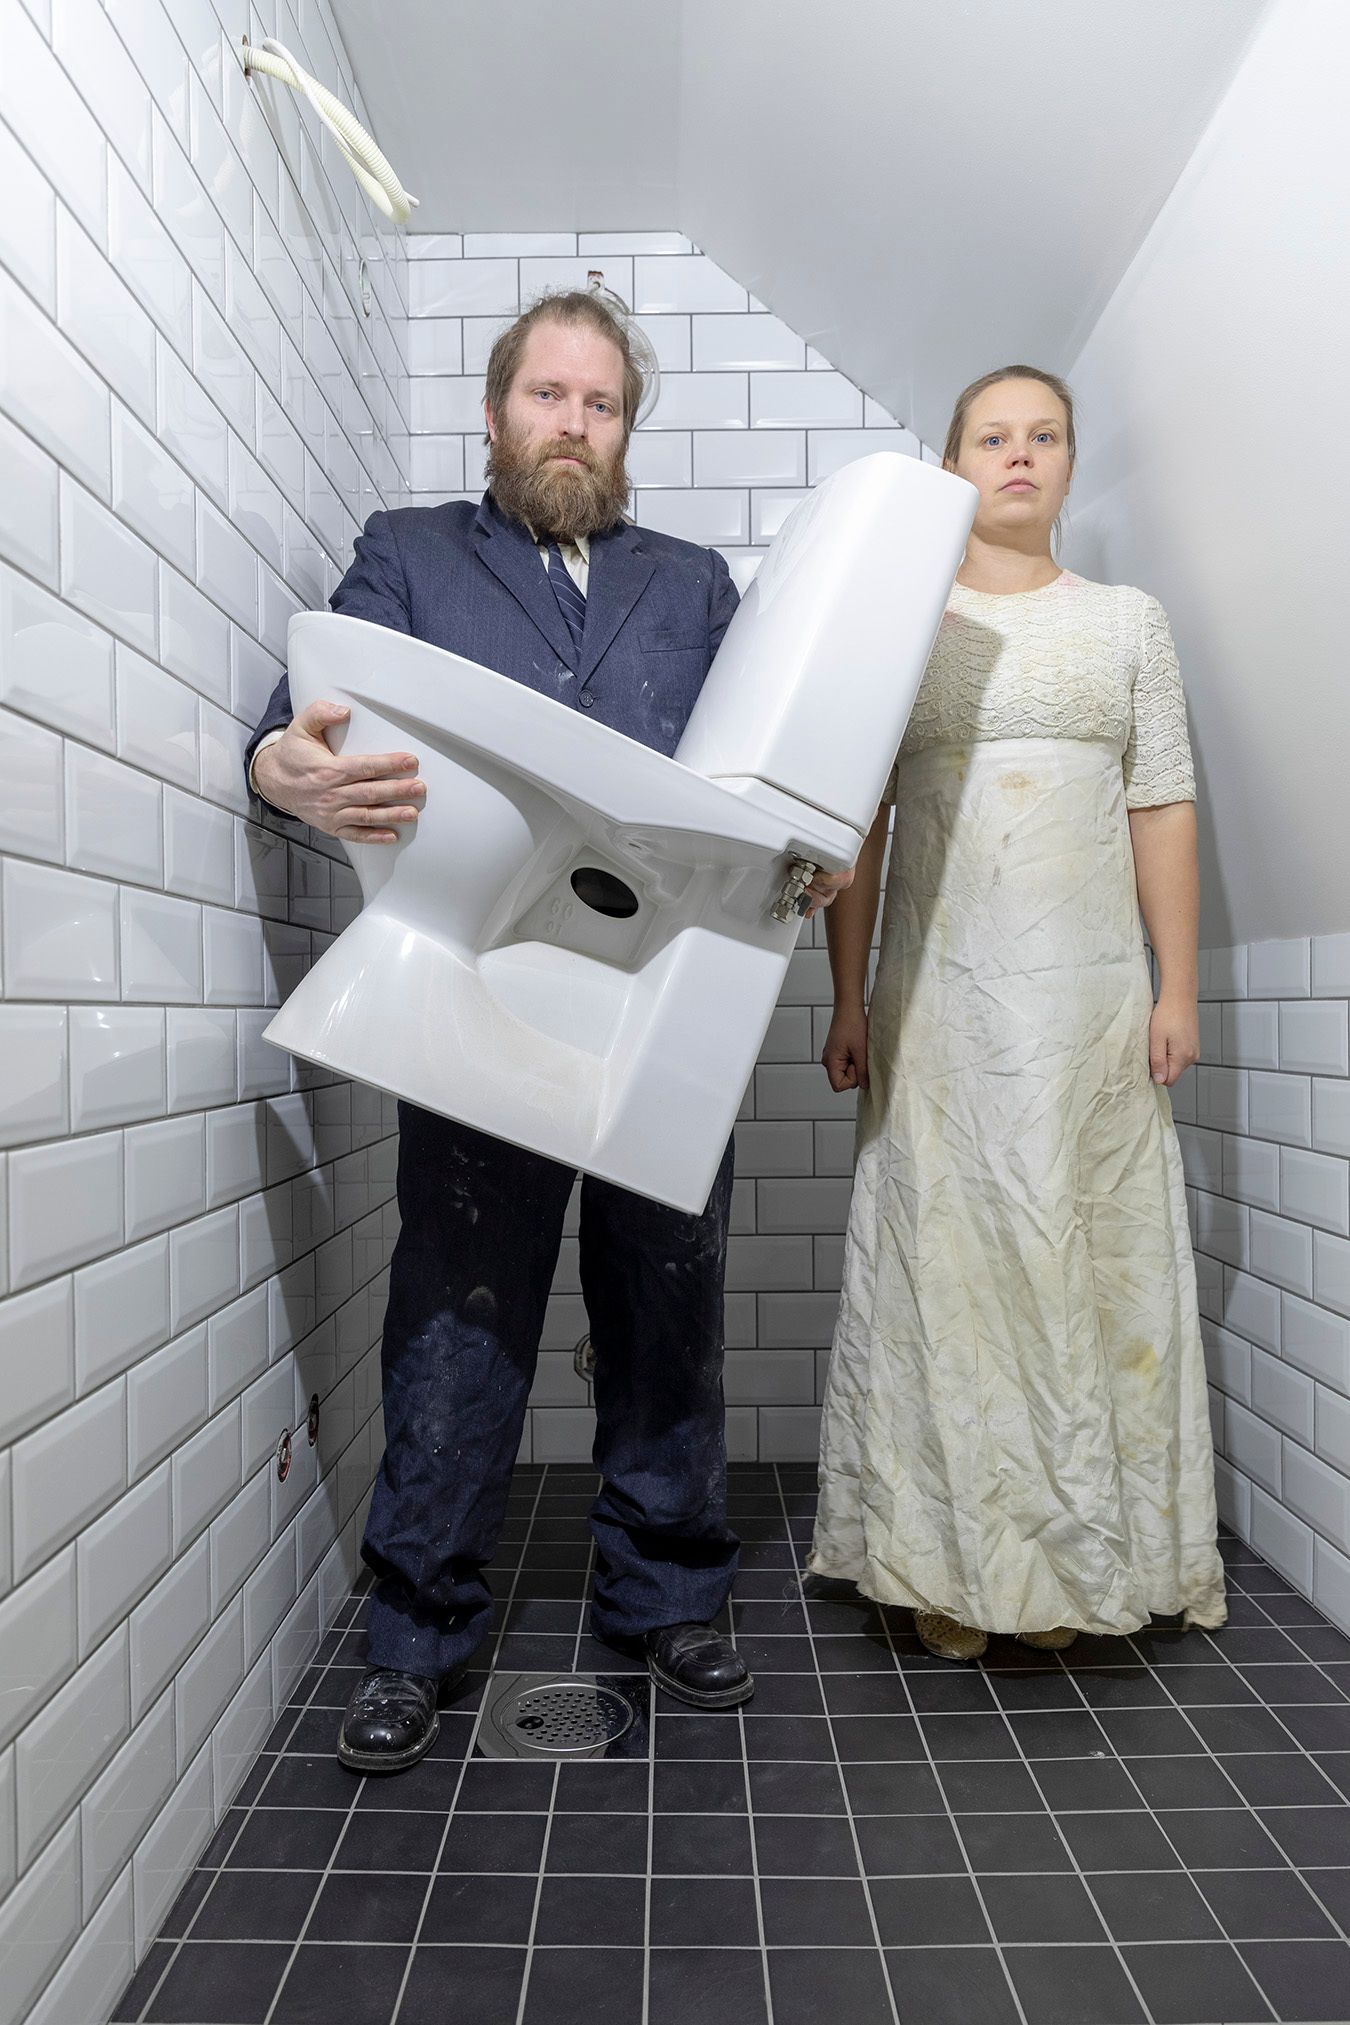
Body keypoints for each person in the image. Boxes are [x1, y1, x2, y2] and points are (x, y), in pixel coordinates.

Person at [246, 289, 850, 1769]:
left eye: (602, 404)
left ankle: (666, 1597)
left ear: (626, 430)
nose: (574, 424)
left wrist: (808, 845)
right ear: (497, 408)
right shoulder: (410, 552)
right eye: (549, 396)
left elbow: (770, 776)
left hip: (663, 1006)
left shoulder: (696, 584)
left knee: (667, 1309)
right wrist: (282, 768)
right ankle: (417, 1630)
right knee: (457, 1312)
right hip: (484, 988)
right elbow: (297, 718)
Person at [810, 365, 1226, 1661]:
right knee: (950, 1267)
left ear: (1067, 462)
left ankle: (1069, 1562)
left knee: (1078, 1271)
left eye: (1042, 435)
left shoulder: (1125, 623)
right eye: (991, 435)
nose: (1019, 454)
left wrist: (1175, 987)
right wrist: (846, 994)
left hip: (1087, 1014)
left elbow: (1159, 804)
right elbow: (858, 825)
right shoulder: (903, 623)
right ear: (952, 464)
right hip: (937, 1003)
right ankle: (948, 1566)